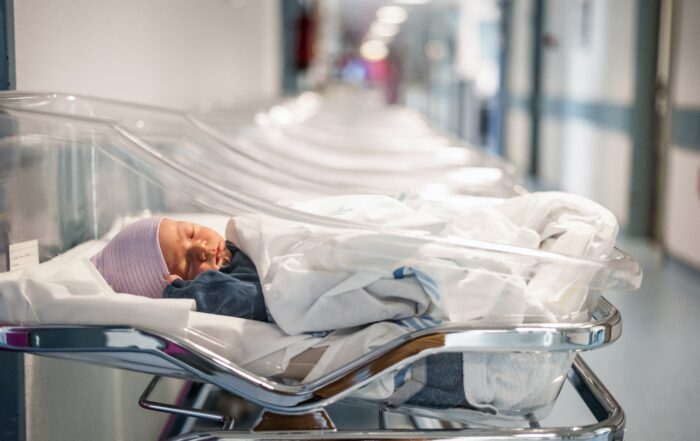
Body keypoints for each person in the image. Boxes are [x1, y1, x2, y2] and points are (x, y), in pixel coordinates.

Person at [90, 217, 269, 322]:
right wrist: (194, 295)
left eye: (192, 233)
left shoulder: (241, 243)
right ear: (184, 285)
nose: (201, 248)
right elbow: (258, 299)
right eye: (188, 265)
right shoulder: (232, 283)